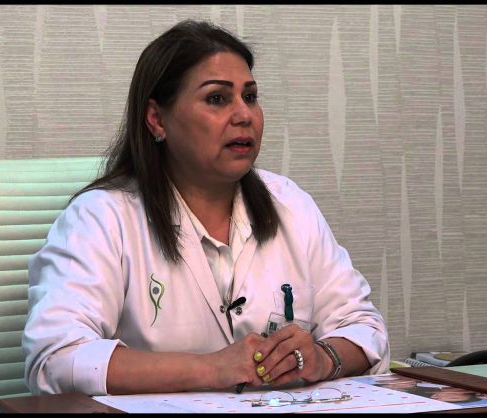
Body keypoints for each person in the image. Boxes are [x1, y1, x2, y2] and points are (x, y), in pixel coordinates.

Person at [22, 19, 389, 396]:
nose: (244, 115)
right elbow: (56, 358)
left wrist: (323, 358)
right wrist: (211, 368)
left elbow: (364, 328)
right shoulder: (102, 217)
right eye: (217, 98)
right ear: (157, 119)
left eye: (250, 97)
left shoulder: (290, 204)